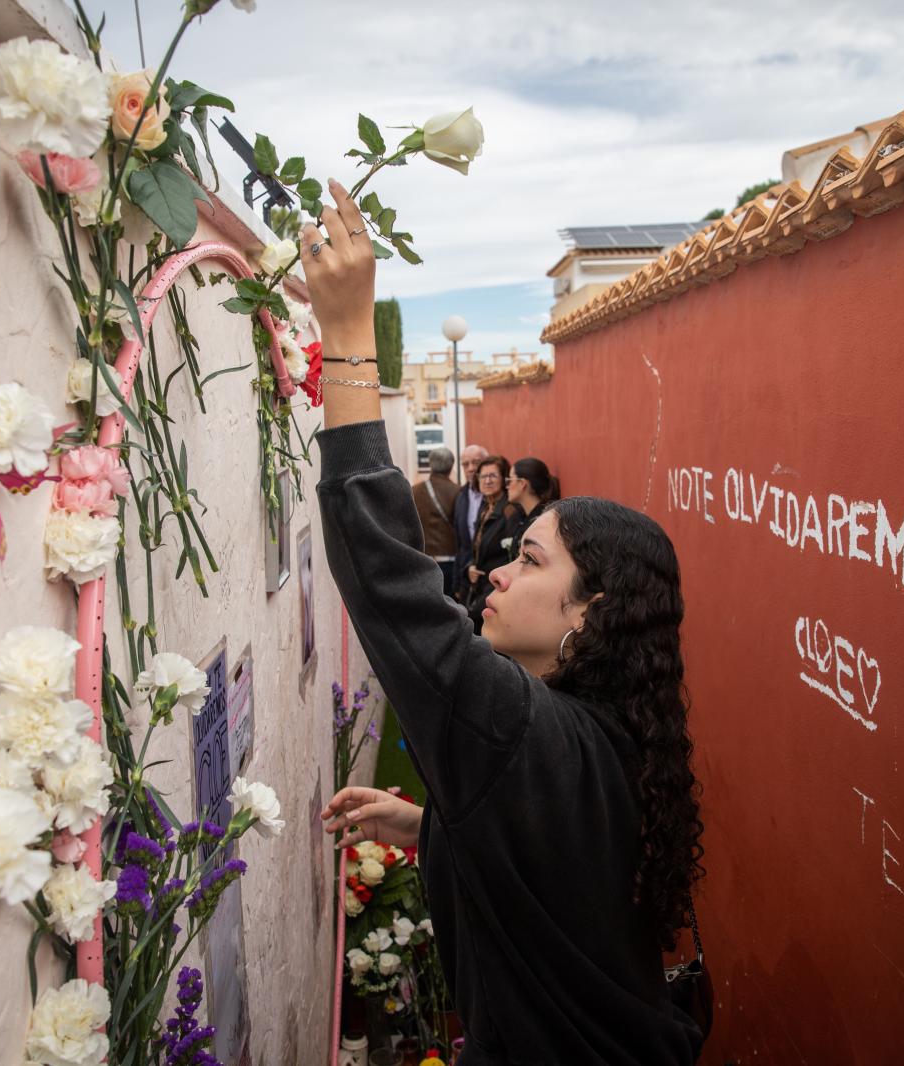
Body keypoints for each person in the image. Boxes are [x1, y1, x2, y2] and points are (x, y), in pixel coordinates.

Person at [301, 180, 706, 1065]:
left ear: (590, 613)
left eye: (530, 562)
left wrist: (345, 337)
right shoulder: (612, 737)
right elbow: (552, 871)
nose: (497, 572)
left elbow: (390, 589)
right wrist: (436, 828)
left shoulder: (524, 728)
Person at [464, 455, 517, 634]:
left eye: (493, 476)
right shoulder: (486, 508)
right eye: (483, 476)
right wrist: (470, 568)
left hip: (496, 590)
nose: (487, 481)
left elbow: (511, 555)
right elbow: (478, 548)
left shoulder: (509, 511)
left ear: (503, 479)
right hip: (480, 587)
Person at [414, 445, 461, 596]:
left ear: (430, 464)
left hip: (422, 560)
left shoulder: (413, 491)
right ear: (451, 466)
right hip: (450, 561)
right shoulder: (458, 492)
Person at [450, 443, 487, 603]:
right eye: (466, 464)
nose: (471, 468)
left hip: (489, 579)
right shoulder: (461, 496)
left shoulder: (497, 497)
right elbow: (460, 545)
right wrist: (457, 583)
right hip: (466, 580)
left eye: (476, 462)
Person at [506, 456, 560, 557]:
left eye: (510, 480)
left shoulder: (543, 520)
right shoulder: (521, 516)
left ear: (522, 483)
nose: (507, 486)